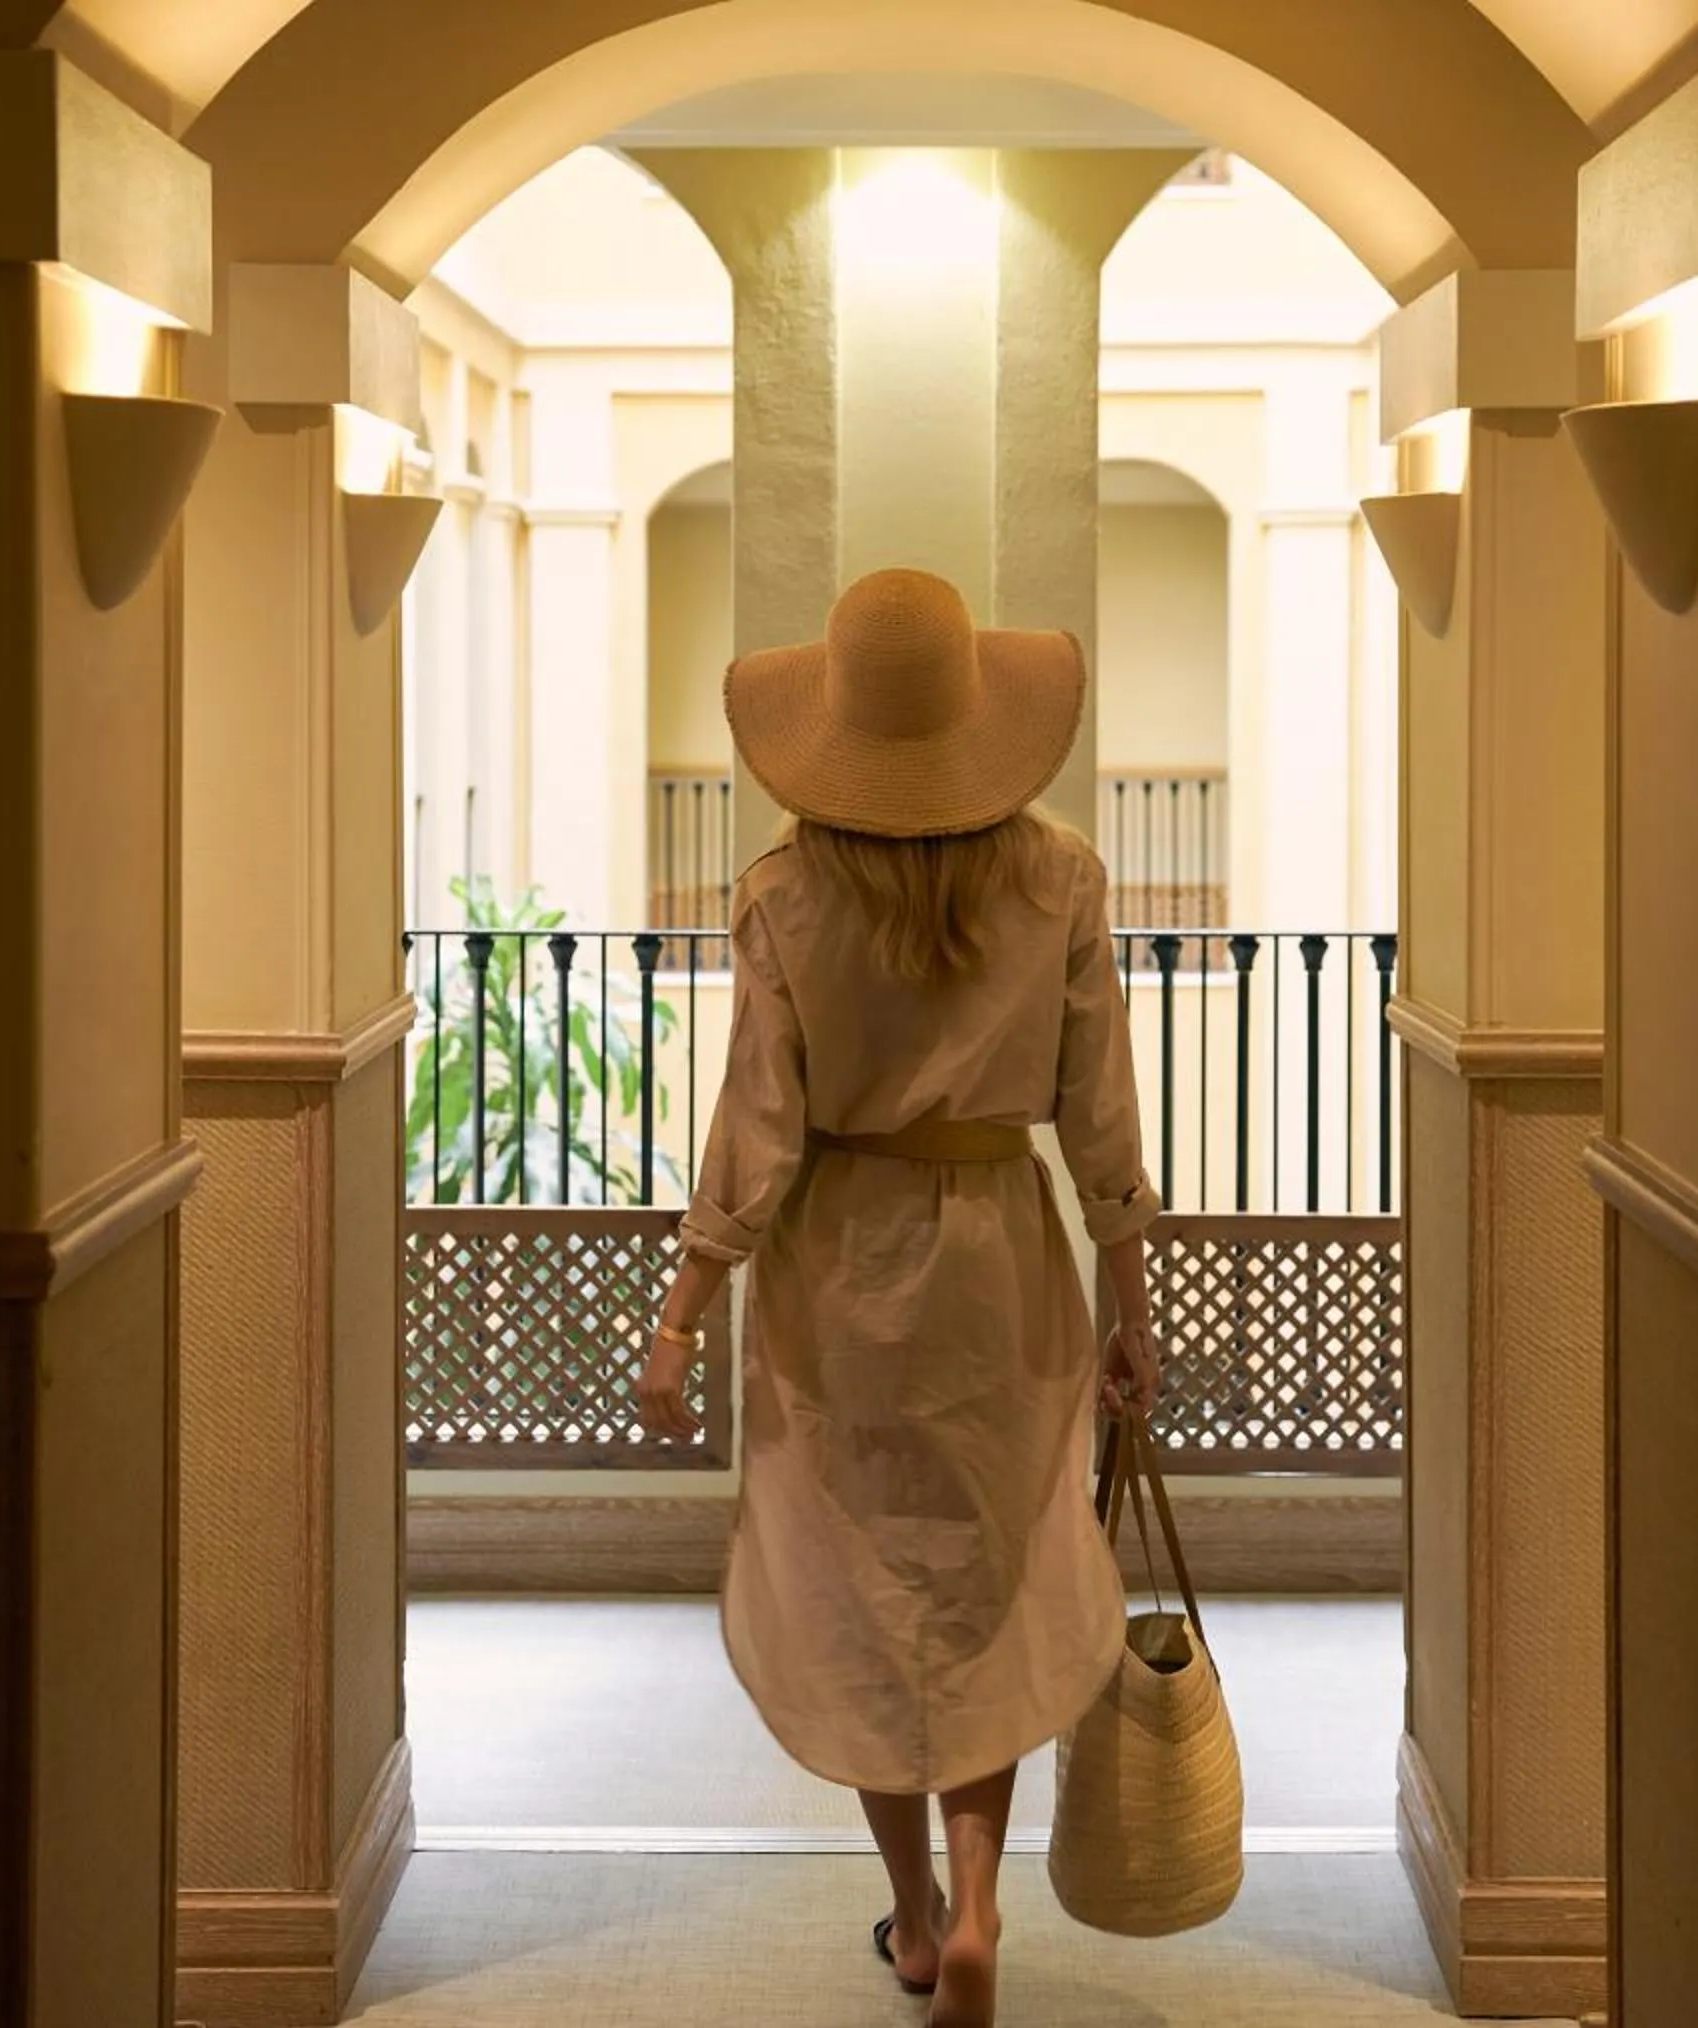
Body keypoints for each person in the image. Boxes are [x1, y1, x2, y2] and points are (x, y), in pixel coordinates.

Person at [633, 566, 1166, 2027]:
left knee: (863, 1595)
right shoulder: (1060, 877)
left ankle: (920, 1923)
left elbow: (756, 1128)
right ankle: (987, 1903)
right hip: (1003, 1263)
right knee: (985, 1583)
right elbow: (1101, 1116)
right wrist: (1131, 1302)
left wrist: (683, 1313)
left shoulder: (786, 897)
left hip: (838, 1270)